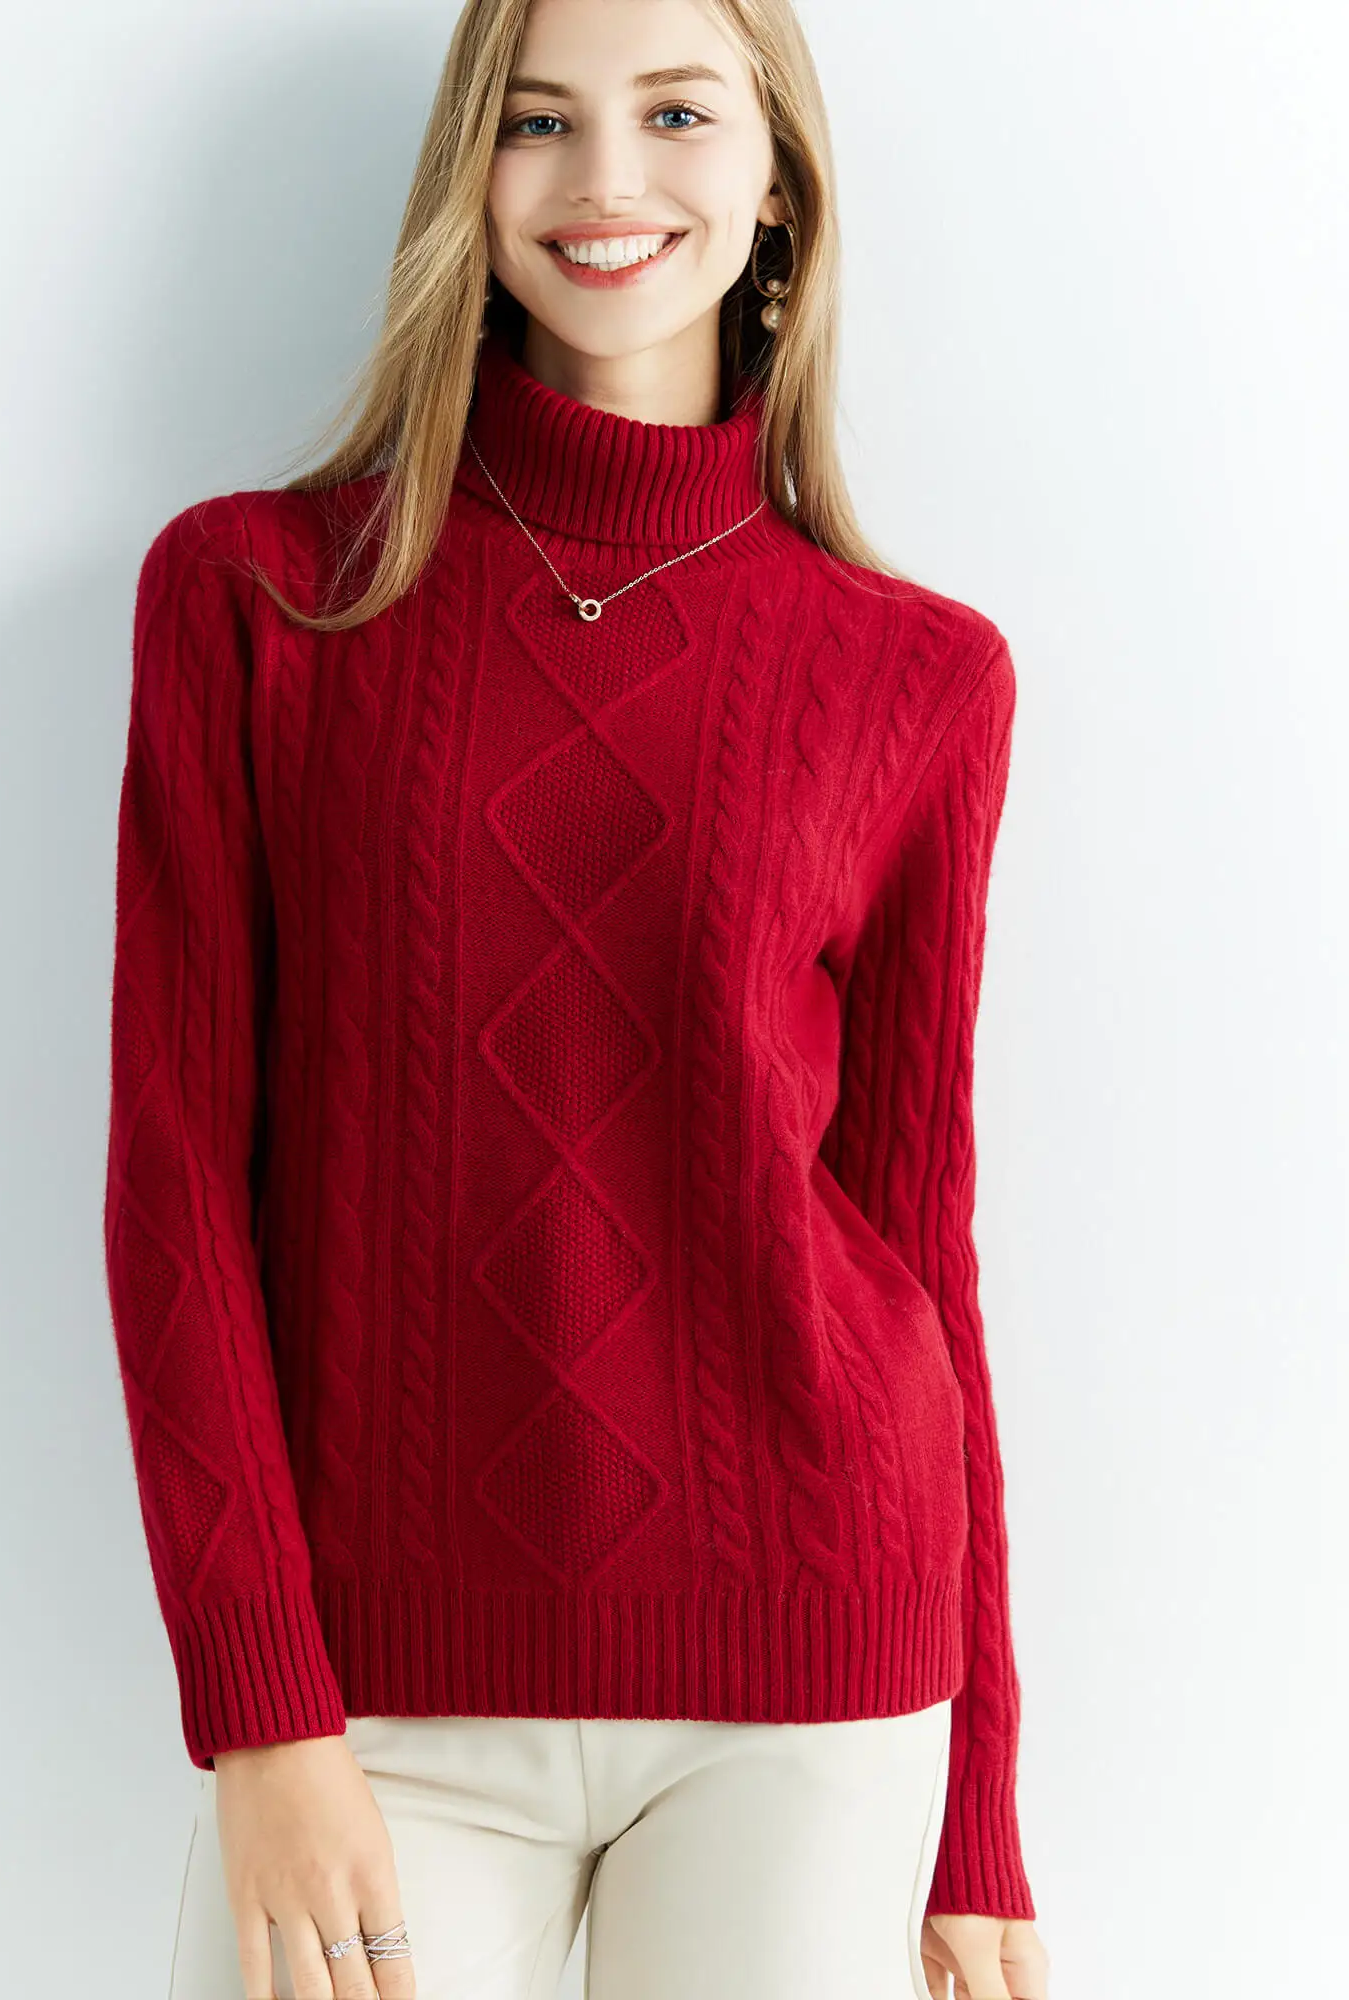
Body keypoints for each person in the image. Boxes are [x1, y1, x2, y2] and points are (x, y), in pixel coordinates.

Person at [102, 0, 1053, 1995]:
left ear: (777, 181)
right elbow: (175, 1181)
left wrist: (978, 1811)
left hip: (814, 1677)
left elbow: (917, 1240)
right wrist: (263, 1711)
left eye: (677, 113)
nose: (607, 179)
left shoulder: (920, 675)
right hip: (378, 1696)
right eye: (537, 123)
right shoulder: (261, 600)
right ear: (471, 175)